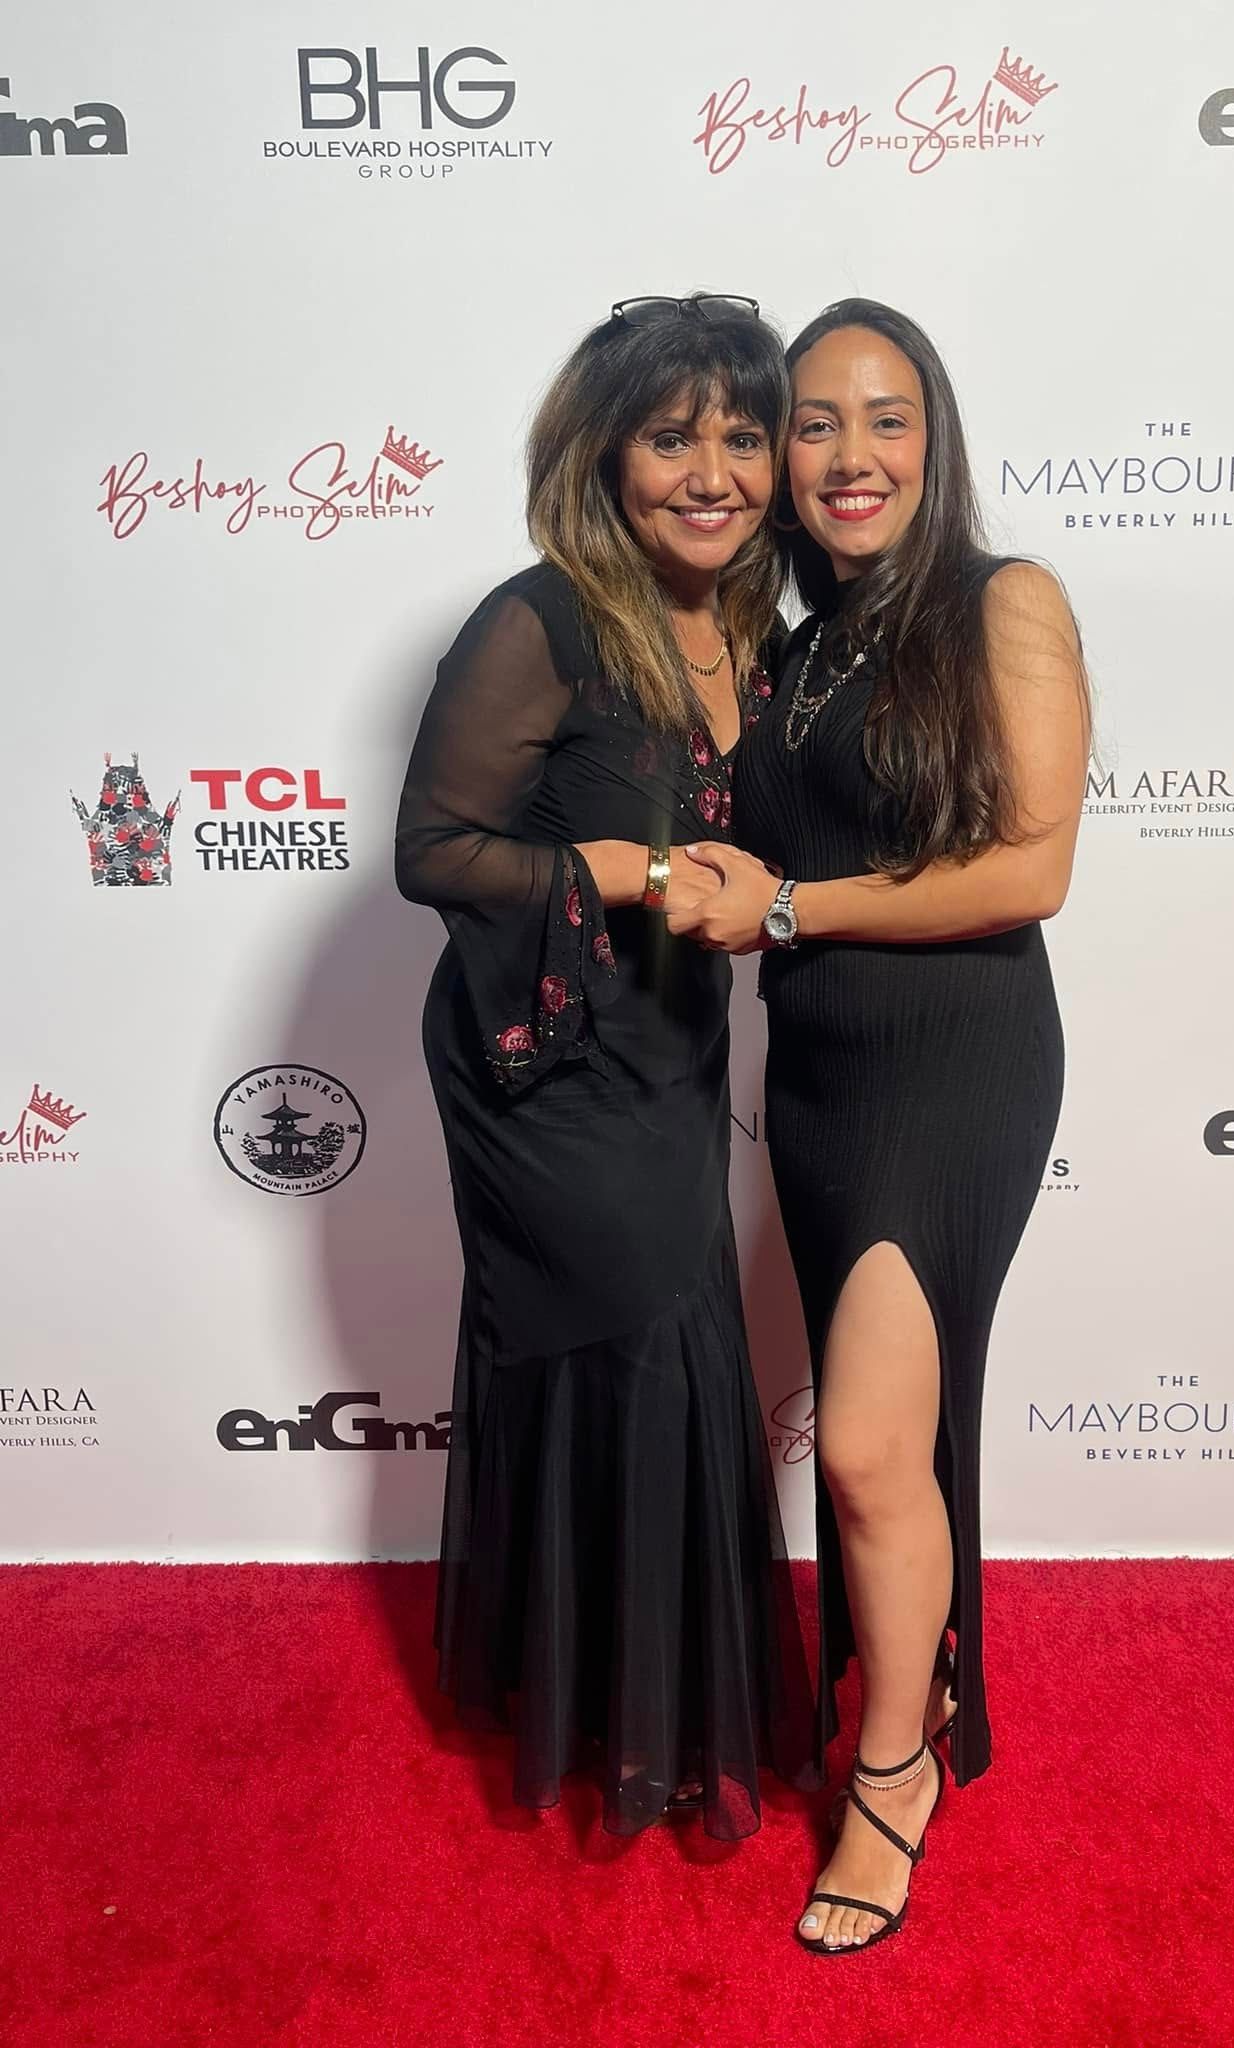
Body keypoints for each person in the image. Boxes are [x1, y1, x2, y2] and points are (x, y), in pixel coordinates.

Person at [669, 299, 1089, 1943]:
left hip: (959, 1056)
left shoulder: (1006, 603)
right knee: (887, 1449)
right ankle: (912, 1686)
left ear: (938, 437)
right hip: (826, 1070)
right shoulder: (785, 648)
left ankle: (895, 1768)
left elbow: (1030, 870)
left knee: (857, 1450)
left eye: (887, 417)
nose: (853, 455)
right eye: (816, 423)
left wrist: (786, 915)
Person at [394, 293, 814, 1841]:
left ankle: (616, 1692)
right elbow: (433, 853)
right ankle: (631, 1722)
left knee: (673, 1343)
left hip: (672, 1050)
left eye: (743, 434)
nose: (712, 471)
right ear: (605, 455)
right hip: (544, 1060)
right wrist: (638, 874)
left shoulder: (751, 627)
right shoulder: (544, 617)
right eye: (670, 435)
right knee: (639, 1344)